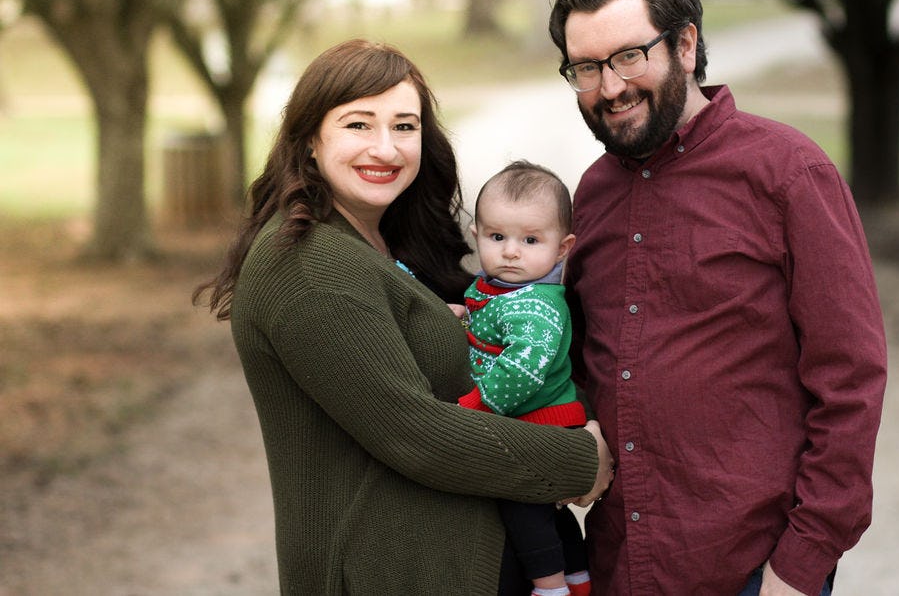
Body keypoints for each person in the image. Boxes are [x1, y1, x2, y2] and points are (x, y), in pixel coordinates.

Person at [193, 39, 613, 594]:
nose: (386, 149)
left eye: (405, 126)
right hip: (384, 572)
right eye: (359, 125)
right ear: (309, 141)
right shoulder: (310, 263)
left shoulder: (371, 240)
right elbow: (414, 433)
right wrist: (580, 459)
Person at [547, 0, 888, 596]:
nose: (609, 86)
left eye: (627, 56)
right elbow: (578, 361)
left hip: (751, 571)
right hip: (621, 564)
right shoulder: (590, 194)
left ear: (685, 44)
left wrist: (801, 565)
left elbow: (851, 382)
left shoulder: (789, 173)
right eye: (585, 68)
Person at [456, 160, 592, 596]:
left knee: (520, 504)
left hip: (543, 418)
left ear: (561, 248)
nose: (511, 251)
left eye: (530, 240)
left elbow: (520, 370)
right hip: (528, 417)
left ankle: (549, 588)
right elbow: (485, 330)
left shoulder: (536, 305)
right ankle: (577, 574)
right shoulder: (498, 289)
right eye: (498, 237)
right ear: (477, 235)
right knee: (550, 512)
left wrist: (472, 409)